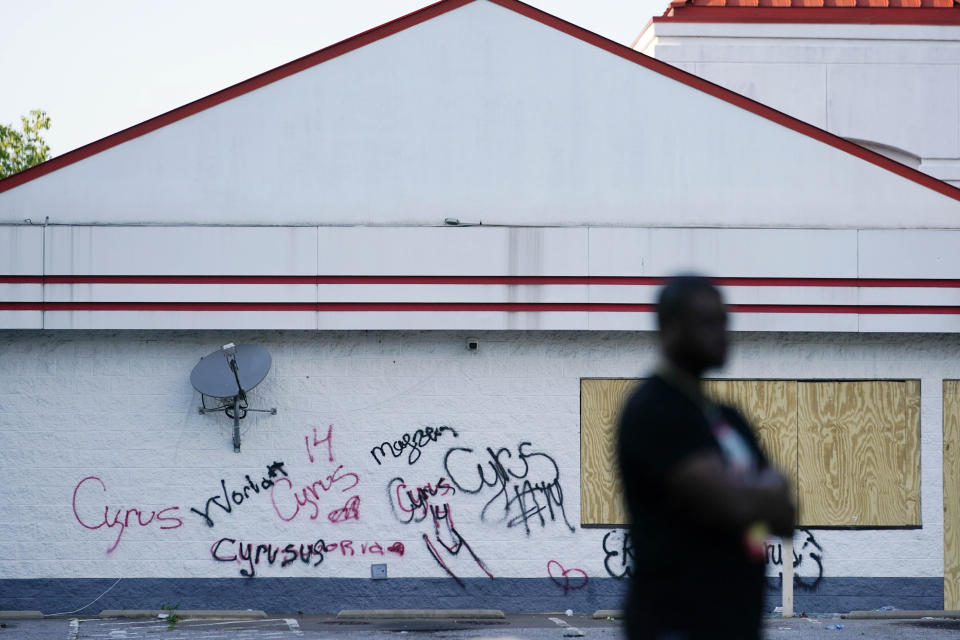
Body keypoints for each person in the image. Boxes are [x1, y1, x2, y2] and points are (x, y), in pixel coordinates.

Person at [617, 275, 795, 640]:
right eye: (706, 322)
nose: (721, 333)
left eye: (724, 321)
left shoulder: (728, 416)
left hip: (737, 625)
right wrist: (761, 494)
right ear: (669, 328)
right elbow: (734, 506)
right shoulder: (655, 408)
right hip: (674, 626)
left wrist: (753, 501)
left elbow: (787, 517)